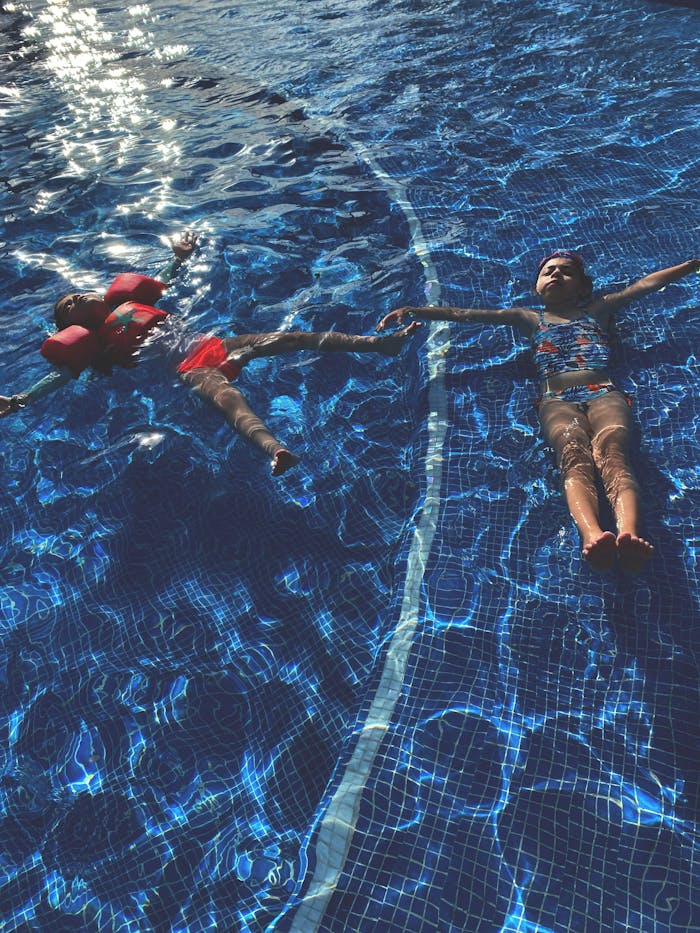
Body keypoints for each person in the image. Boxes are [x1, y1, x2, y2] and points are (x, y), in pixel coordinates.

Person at [377, 250, 700, 572]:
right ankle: (592, 533)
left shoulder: (598, 309)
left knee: (613, 451)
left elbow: (645, 285)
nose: (556, 275)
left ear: (583, 288)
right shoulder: (529, 318)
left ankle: (628, 531)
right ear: (536, 287)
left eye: (566, 271)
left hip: (603, 392)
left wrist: (690, 265)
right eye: (548, 271)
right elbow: (469, 314)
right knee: (573, 457)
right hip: (556, 399)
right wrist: (414, 309)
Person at [0, 233, 418, 476]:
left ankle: (380, 343)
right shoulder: (98, 346)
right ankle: (275, 449)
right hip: (187, 366)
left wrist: (178, 259)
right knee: (226, 398)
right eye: (68, 306)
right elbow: (60, 376)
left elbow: (162, 281)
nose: (74, 297)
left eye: (74, 293)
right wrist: (21, 399)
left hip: (209, 342)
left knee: (290, 337)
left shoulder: (127, 300)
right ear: (73, 328)